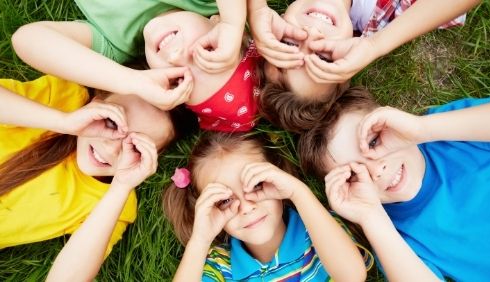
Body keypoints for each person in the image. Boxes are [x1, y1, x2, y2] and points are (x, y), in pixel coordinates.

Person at [0, 74, 195, 280]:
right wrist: (63, 121)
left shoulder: (113, 202)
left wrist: (120, 187)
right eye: (112, 123)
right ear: (96, 102)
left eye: (135, 146)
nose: (111, 148)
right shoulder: (63, 98)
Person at [298, 87, 490, 281]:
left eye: (374, 142)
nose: (377, 171)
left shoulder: (447, 132)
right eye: (354, 174)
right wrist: (370, 216)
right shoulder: (393, 237)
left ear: (390, 121)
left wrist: (422, 129)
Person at [12, 0, 262, 132]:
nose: (175, 57)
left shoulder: (116, 44)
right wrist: (232, 22)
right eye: (207, 51)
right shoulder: (205, 3)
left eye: (176, 79)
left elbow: (27, 39)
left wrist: (132, 81)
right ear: (215, 21)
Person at [163, 132, 372, 281]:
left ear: (279, 178)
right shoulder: (221, 267)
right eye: (225, 200)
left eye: (256, 184)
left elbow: (353, 276)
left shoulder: (319, 228)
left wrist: (298, 192)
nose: (246, 207)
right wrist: (200, 240)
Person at [249, 0, 480, 133]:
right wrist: (374, 45)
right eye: (323, 57)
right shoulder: (389, 14)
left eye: (288, 43)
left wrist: (255, 8)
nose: (311, 35)